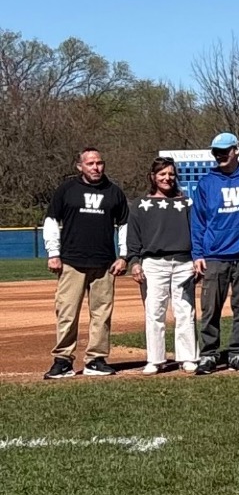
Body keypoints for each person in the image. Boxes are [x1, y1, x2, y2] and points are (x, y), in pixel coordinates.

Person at [42, 147, 129, 378]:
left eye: (99, 163)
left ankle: (96, 360)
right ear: (80, 166)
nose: (95, 167)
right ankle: (62, 360)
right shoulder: (67, 190)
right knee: (67, 313)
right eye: (90, 163)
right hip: (72, 262)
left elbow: (124, 226)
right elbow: (51, 220)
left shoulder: (114, 192)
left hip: (104, 264)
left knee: (102, 314)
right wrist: (53, 253)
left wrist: (123, 256)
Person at [192, 133, 239, 373]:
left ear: (237, 150)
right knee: (210, 309)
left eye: (225, 151)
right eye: (216, 152)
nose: (220, 156)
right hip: (214, 255)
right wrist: (198, 254)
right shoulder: (206, 183)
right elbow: (198, 221)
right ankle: (208, 355)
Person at [126, 157, 196, 375]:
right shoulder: (139, 205)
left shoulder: (187, 203)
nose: (167, 178)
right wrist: (134, 262)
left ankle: (187, 357)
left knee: (185, 311)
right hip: (153, 263)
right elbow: (133, 237)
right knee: (154, 312)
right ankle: (155, 359)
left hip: (184, 261)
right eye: (162, 174)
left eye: (171, 174)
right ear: (153, 177)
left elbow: (196, 233)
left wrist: (197, 260)